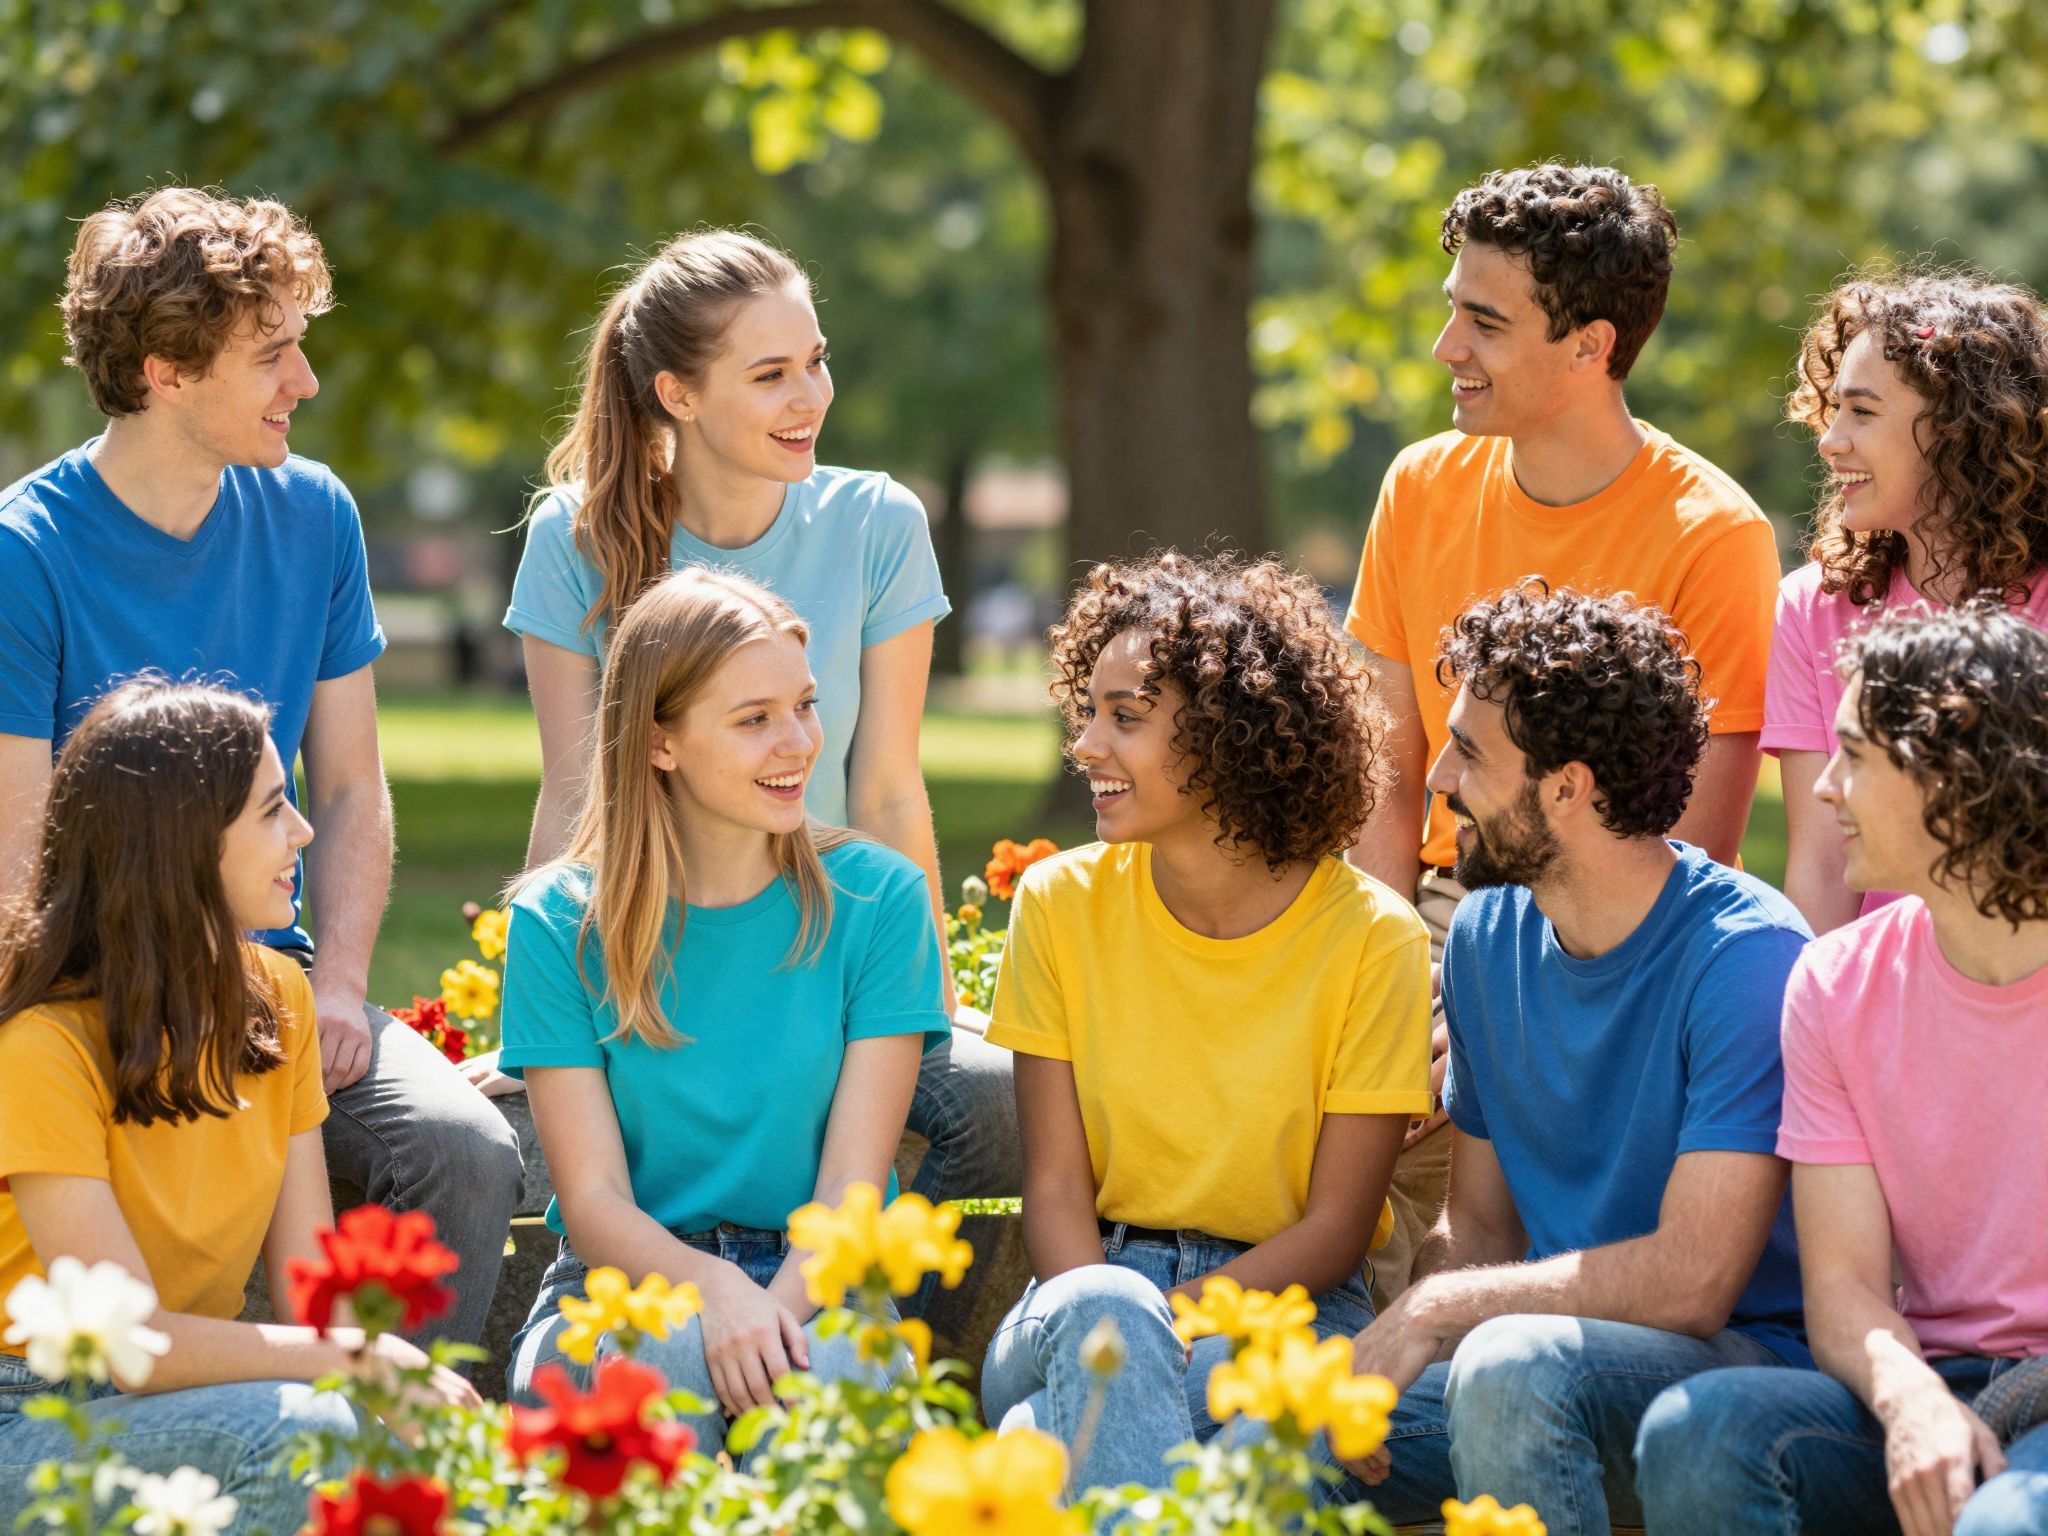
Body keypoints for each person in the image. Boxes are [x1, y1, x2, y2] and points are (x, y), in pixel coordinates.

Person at [0, 188, 521, 1350]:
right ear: (164, 373)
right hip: (100, 991)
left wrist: (336, 982)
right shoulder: (21, 555)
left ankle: (396, 1471)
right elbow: (22, 864)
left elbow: (346, 788)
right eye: (272, 354)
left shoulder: (313, 515)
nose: (307, 382)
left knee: (465, 1149)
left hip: (277, 987)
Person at [481, 227, 1016, 1225]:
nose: (809, 397)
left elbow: (887, 784)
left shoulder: (877, 524)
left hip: (836, 951)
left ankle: (880, 1320)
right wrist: (547, 1006)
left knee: (998, 1108)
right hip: (655, 954)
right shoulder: (572, 537)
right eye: (769, 374)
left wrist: (921, 992)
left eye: (814, 362)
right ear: (678, 394)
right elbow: (573, 791)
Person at [1344, 164, 1780, 1307]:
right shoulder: (1418, 485)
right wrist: (1381, 989)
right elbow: (1389, 782)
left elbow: (1685, 846)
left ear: (1590, 346)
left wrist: (1485, 1001)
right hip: (1416, 919)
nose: (1445, 346)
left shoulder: (1712, 535)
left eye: (1482, 322)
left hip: (1587, 932)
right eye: (1450, 308)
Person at [1323, 584, 1811, 1536]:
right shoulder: (1486, 934)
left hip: (1737, 1374)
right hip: (1538, 1356)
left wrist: (1437, 1313)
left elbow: (1694, 1281)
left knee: (1509, 1365)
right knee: (1284, 1440)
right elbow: (1481, 1229)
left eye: (1469, 752)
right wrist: (1390, 1347)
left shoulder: (1746, 959)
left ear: (1568, 788)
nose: (1436, 781)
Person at [979, 551, 1432, 1492]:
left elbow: (1335, 1230)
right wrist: (1129, 1327)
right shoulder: (1060, 904)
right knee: (1235, 1405)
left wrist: (1170, 1329)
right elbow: (1057, 1192)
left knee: (1043, 1444)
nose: (1087, 746)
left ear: (1233, 736)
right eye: (1089, 712)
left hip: (1293, 1307)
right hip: (1082, 1289)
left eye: (1126, 718)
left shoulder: (1373, 939)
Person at [0, 680, 479, 1536]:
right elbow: (130, 1343)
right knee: (303, 1428)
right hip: (33, 1418)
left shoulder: (280, 1000)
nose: (302, 831)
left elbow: (308, 1297)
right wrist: (363, 1361)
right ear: (178, 846)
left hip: (205, 1390)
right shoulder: (43, 1047)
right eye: (270, 811)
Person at [499, 567, 947, 1447]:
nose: (799, 743)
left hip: (819, 1285)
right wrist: (715, 1292)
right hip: (618, 1289)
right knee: (660, 1358)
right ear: (659, 741)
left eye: (805, 706)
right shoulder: (557, 923)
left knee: (834, 1374)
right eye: (754, 720)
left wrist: (768, 1316)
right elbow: (592, 1206)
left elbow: (853, 1192)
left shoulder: (879, 901)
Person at [1638, 604, 2048, 1536]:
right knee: (1699, 1436)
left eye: (1855, 756)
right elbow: (1845, 1286)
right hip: (1917, 1377)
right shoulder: (1833, 983)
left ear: (1955, 780)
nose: (1823, 789)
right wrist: (1912, 1403)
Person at [1766, 271, 2048, 934]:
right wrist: (1813, 1027)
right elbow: (1821, 868)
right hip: (1881, 1013)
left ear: (1960, 431)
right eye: (1832, 409)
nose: (1831, 440)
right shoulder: (1814, 607)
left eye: (1862, 412)